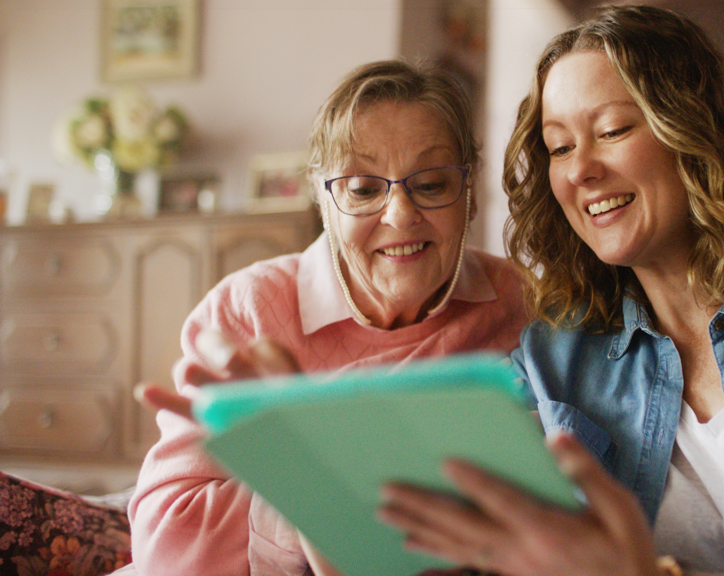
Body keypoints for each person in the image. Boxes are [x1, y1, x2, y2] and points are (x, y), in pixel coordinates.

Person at [372, 5, 724, 576]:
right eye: (560, 147)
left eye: (612, 130)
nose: (580, 172)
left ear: (697, 130)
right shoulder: (551, 357)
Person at [123, 59, 531, 576]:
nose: (401, 215)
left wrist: (310, 476)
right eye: (363, 189)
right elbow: (170, 544)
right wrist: (319, 480)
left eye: (430, 183)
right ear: (322, 196)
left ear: (470, 195)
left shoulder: (522, 304)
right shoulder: (247, 309)